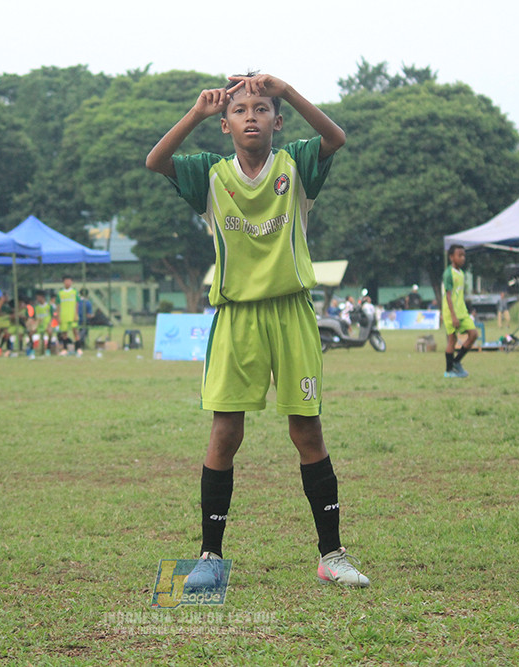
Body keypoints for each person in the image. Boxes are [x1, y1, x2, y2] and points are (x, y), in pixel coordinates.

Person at [146, 72, 369, 588]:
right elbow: (156, 162)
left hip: (291, 313)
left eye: (263, 108)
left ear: (277, 121)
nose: (252, 116)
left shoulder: (297, 165)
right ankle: (208, 559)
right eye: (241, 110)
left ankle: (331, 556)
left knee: (306, 430)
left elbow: (336, 138)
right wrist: (195, 113)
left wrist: (286, 88)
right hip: (237, 318)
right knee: (225, 433)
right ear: (225, 125)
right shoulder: (209, 175)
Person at [442, 244, 478, 378]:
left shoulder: (461, 273)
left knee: (473, 334)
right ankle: (448, 371)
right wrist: (453, 316)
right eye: (460, 255)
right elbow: (448, 296)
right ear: (451, 257)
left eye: (464, 255)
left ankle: (456, 362)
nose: (463, 258)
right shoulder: (448, 274)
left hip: (462, 311)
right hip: (451, 312)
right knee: (452, 340)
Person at [57, 275, 81, 356]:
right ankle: (64, 349)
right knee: (64, 333)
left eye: (69, 281)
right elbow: (58, 305)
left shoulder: (74, 292)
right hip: (64, 315)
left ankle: (78, 348)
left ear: (71, 282)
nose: (67, 283)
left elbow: (77, 303)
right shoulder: (60, 293)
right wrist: (58, 316)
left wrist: (76, 314)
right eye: (66, 281)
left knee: (75, 331)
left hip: (72, 315)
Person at [33, 291, 52, 356]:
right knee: (32, 333)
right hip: (39, 326)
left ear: (43, 297)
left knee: (49, 333)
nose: (37, 299)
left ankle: (48, 350)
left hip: (47, 325)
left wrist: (49, 325)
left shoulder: (49, 306)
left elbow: (52, 317)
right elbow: (36, 318)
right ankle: (33, 350)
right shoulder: (36, 307)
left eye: (38, 297)